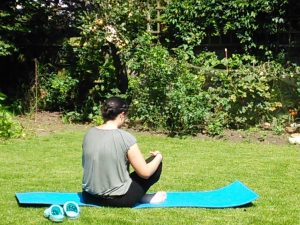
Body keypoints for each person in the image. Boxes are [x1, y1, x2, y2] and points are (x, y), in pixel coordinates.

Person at [82, 96, 166, 207]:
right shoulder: (125, 137)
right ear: (121, 115)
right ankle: (140, 197)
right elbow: (145, 173)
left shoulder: (89, 133)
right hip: (118, 199)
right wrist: (159, 156)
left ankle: (140, 196)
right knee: (155, 162)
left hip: (88, 196)